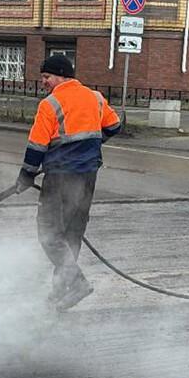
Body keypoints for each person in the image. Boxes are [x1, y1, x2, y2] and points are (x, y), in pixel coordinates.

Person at [16, 54, 122, 310]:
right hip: (87, 177)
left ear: (61, 76)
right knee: (72, 234)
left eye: (46, 77)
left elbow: (37, 145)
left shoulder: (50, 104)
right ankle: (61, 289)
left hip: (60, 178)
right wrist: (90, 145)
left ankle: (74, 283)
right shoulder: (95, 97)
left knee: (49, 233)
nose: (43, 82)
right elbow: (113, 125)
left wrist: (26, 175)